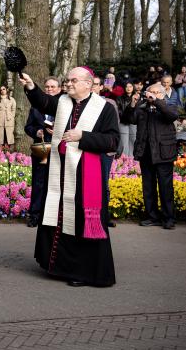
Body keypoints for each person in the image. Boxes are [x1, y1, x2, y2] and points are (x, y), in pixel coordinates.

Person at [17, 67, 119, 288]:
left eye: (74, 80)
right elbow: (43, 102)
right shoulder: (64, 101)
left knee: (80, 220)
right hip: (61, 171)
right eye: (68, 80)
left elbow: (113, 142)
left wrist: (83, 136)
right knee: (59, 216)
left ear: (88, 83)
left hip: (86, 174)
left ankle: (84, 272)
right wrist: (31, 86)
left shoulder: (104, 108)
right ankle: (59, 266)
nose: (69, 84)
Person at [133, 83, 178, 230]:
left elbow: (172, 116)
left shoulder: (168, 105)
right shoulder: (142, 107)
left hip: (163, 153)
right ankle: (152, 216)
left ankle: (168, 218)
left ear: (163, 94)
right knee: (148, 187)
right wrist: (132, 104)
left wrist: (157, 102)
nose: (151, 95)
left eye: (156, 92)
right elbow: (129, 118)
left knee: (166, 187)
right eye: (150, 92)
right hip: (146, 153)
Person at [24, 77, 60, 227]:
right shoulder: (35, 107)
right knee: (39, 181)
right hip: (41, 147)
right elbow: (28, 127)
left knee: (56, 183)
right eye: (47, 87)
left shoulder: (63, 106)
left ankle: (52, 216)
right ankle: (35, 215)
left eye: (53, 87)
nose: (50, 89)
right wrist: (37, 132)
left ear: (58, 89)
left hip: (59, 149)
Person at [0, 86, 16, 151]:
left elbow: (13, 109)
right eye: (1, 89)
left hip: (9, 121)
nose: (2, 90)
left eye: (4, 89)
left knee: (8, 136)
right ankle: (0, 153)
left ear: (6, 90)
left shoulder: (12, 99)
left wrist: (12, 116)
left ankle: (8, 153)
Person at [118, 82, 138, 157]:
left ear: (133, 87)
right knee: (124, 143)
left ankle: (132, 162)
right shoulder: (119, 98)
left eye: (130, 86)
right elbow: (119, 112)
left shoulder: (137, 98)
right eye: (126, 86)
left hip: (134, 122)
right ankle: (124, 162)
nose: (128, 88)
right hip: (123, 122)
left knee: (133, 141)